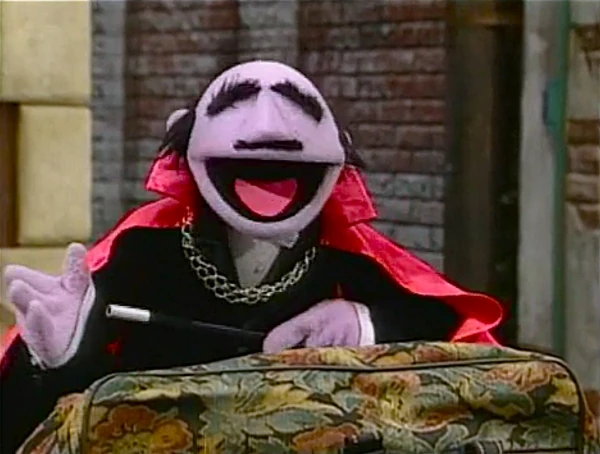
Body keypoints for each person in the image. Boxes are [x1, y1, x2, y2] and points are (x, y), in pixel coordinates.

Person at [0, 60, 503, 453]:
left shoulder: (352, 260)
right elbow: (42, 421)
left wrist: (365, 325)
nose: (269, 128)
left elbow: (455, 346)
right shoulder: (143, 250)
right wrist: (56, 359)